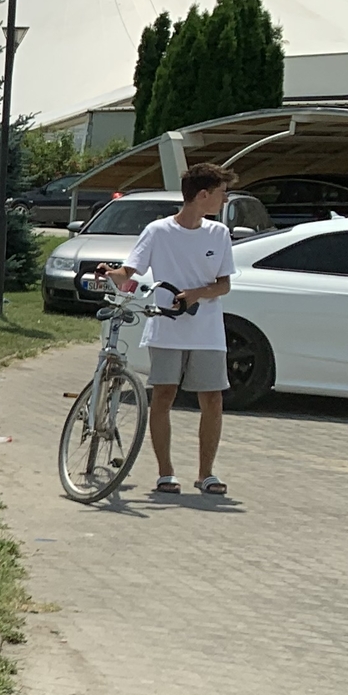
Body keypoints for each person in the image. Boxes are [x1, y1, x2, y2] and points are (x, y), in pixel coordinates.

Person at [111, 161, 236, 495]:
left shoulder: (219, 234)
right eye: (222, 194)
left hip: (208, 330)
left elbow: (223, 285)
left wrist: (197, 294)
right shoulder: (158, 231)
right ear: (203, 195)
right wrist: (113, 275)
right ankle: (166, 472)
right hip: (166, 326)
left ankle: (206, 473)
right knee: (163, 395)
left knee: (212, 399)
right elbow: (130, 272)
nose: (224, 201)